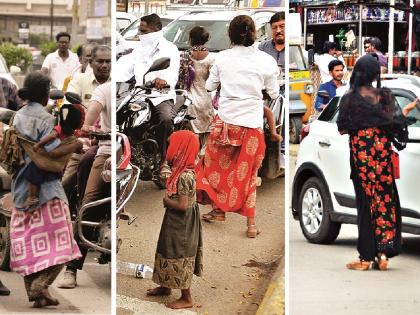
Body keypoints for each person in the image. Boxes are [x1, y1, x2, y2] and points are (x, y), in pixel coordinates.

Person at [195, 15, 279, 238]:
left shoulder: (222, 58)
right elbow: (274, 93)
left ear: (231, 35)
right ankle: (251, 226)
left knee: (214, 168)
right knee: (249, 174)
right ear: (255, 33)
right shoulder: (266, 61)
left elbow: (211, 86)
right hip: (252, 126)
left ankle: (218, 210)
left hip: (225, 123)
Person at [336, 54, 417, 271]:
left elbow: (342, 127)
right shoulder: (385, 96)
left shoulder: (349, 99)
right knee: (385, 201)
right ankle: (383, 254)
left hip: (361, 157)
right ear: (374, 75)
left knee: (365, 204)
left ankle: (365, 258)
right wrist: (407, 110)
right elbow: (396, 123)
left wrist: (362, 128)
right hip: (382, 156)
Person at [9, 72, 81, 307]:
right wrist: (76, 145)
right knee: (64, 241)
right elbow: (52, 152)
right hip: (47, 191)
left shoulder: (17, 117)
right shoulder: (47, 120)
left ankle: (36, 292)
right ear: (44, 94)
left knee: (28, 242)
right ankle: (41, 286)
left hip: (20, 188)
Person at [57, 81, 111, 288]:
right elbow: (94, 109)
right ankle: (71, 268)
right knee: (89, 206)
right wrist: (87, 125)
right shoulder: (104, 89)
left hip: (130, 154)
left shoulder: (135, 89)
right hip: (105, 151)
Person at [147, 130, 202, 310]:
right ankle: (165, 285)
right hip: (175, 221)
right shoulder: (183, 171)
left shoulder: (184, 176)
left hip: (182, 223)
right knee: (167, 249)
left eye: (172, 146)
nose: (169, 150)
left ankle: (187, 297)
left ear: (180, 149)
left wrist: (167, 201)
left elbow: (183, 206)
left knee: (179, 254)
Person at [116, 13, 180, 163]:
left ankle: (163, 160)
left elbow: (173, 73)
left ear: (156, 30)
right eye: (139, 30)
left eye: (144, 31)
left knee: (165, 120)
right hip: (138, 95)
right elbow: (124, 67)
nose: (140, 34)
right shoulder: (139, 50)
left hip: (160, 95)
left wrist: (164, 81)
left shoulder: (170, 49)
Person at [23, 104, 84, 208]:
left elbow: (50, 138)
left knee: (33, 176)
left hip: (49, 162)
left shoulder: (60, 130)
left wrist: (38, 145)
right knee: (38, 176)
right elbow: (78, 150)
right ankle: (34, 197)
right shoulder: (72, 137)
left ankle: (32, 197)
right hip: (54, 165)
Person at [179, 26, 215, 154]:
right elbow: (214, 82)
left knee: (191, 133)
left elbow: (180, 79)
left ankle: (190, 159)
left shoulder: (184, 56)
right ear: (206, 39)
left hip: (188, 99)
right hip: (206, 99)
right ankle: (203, 161)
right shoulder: (211, 59)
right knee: (206, 134)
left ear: (190, 39)